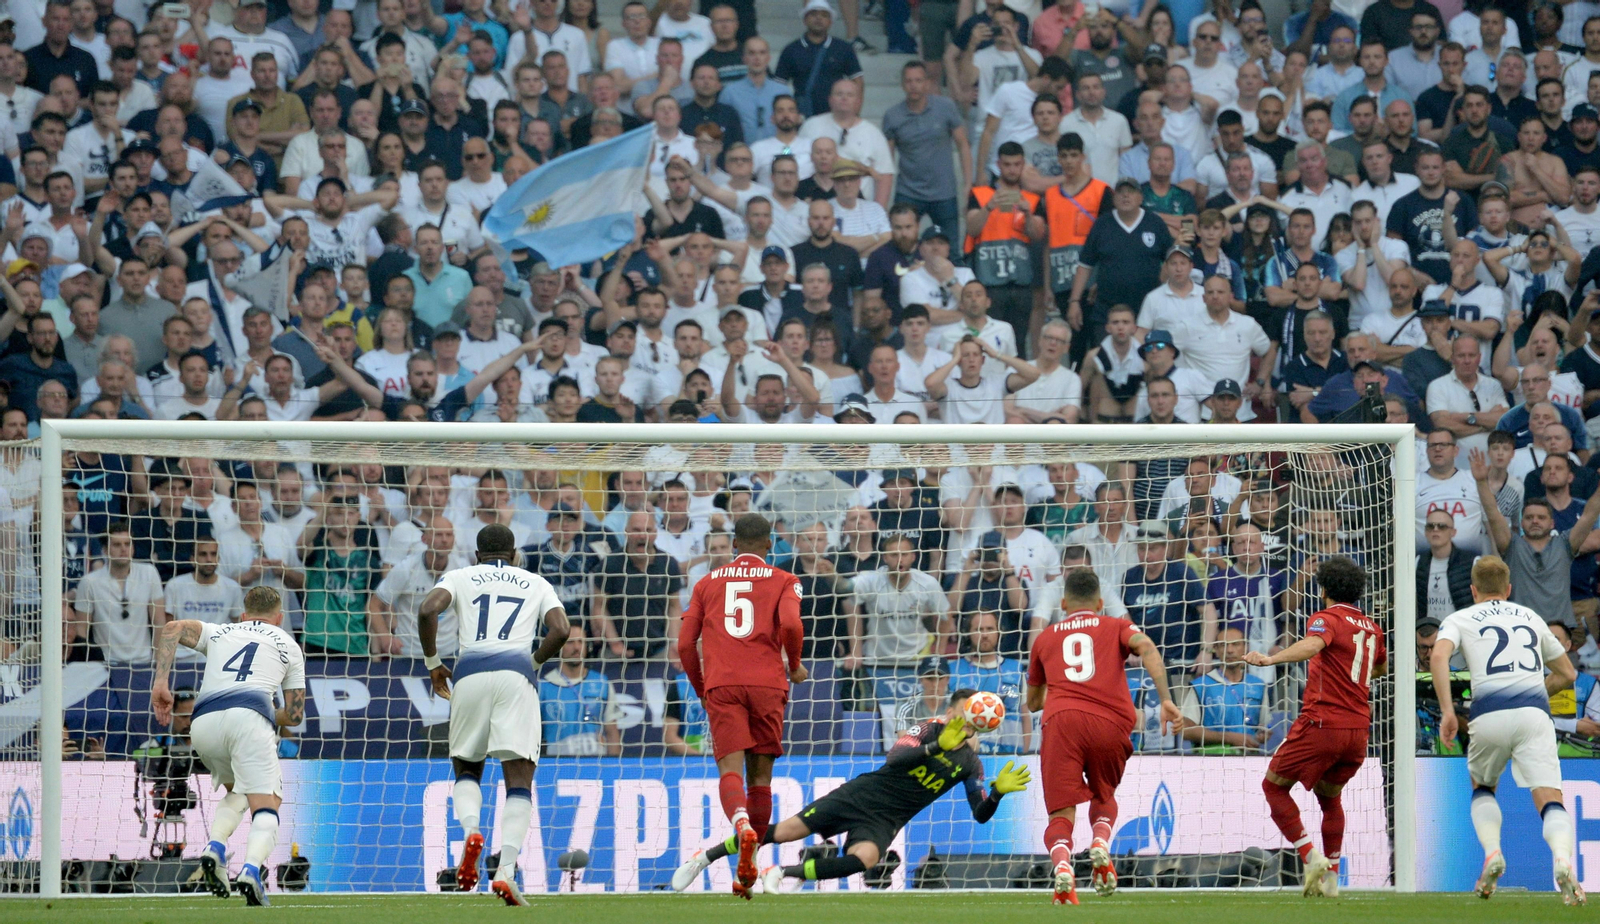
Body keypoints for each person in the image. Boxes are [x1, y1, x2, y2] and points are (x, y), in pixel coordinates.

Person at [672, 689, 1032, 893]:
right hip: (863, 794)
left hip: (888, 818)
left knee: (866, 860)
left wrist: (997, 792)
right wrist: (936, 747)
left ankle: (785, 873)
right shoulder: (928, 729)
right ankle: (706, 856)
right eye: (960, 710)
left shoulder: (972, 764)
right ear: (955, 709)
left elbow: (980, 815)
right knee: (784, 831)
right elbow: (895, 759)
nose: (963, 719)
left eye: (972, 716)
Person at [415, 523, 571, 907]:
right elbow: (562, 629)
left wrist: (434, 662)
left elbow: (427, 609)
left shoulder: (461, 575)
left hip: (468, 673)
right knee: (519, 778)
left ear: (477, 556)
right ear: (515, 555)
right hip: (515, 675)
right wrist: (532, 662)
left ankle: (471, 830)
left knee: (467, 768)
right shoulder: (535, 581)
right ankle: (506, 871)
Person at [1432, 555, 1584, 905]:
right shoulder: (1530, 617)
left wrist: (1446, 713)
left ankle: (1492, 853)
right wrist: (1532, 694)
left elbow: (1439, 657)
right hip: (1534, 715)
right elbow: (1568, 674)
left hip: (1487, 714)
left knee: (1483, 786)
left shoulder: (1460, 617)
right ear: (1509, 589)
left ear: (1472, 590)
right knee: (1549, 798)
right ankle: (1561, 860)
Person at [1028, 567, 1179, 903]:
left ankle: (1064, 866)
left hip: (1062, 723)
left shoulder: (1045, 637)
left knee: (1061, 813)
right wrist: (1166, 699)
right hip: (1109, 722)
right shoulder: (1118, 626)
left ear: (1063, 603)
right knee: (1103, 794)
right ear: (1099, 602)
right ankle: (1099, 842)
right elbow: (1147, 646)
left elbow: (1033, 703)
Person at [675, 513, 807, 895]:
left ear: (734, 544)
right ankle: (746, 872)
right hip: (768, 685)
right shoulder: (786, 580)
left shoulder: (705, 583)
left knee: (729, 771)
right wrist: (794, 665)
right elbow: (792, 626)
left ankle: (740, 824)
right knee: (760, 779)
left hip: (724, 685)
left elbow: (685, 644)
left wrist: (703, 687)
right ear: (770, 545)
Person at [150, 585, 305, 906]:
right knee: (268, 801)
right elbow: (293, 716)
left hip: (202, 722)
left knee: (238, 791)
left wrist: (161, 682)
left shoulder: (221, 631)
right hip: (248, 718)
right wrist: (264, 709)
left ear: (244, 615)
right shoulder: (289, 645)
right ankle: (250, 869)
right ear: (279, 618)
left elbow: (170, 629)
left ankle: (215, 848)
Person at [1245, 556, 1383, 899]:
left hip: (1323, 722)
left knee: (1273, 786)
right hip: (1358, 730)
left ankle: (1310, 857)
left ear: (1322, 589)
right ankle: (1332, 880)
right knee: (1329, 796)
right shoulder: (1371, 627)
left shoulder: (1326, 618)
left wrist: (1271, 658)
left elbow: (1313, 645)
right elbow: (1379, 667)